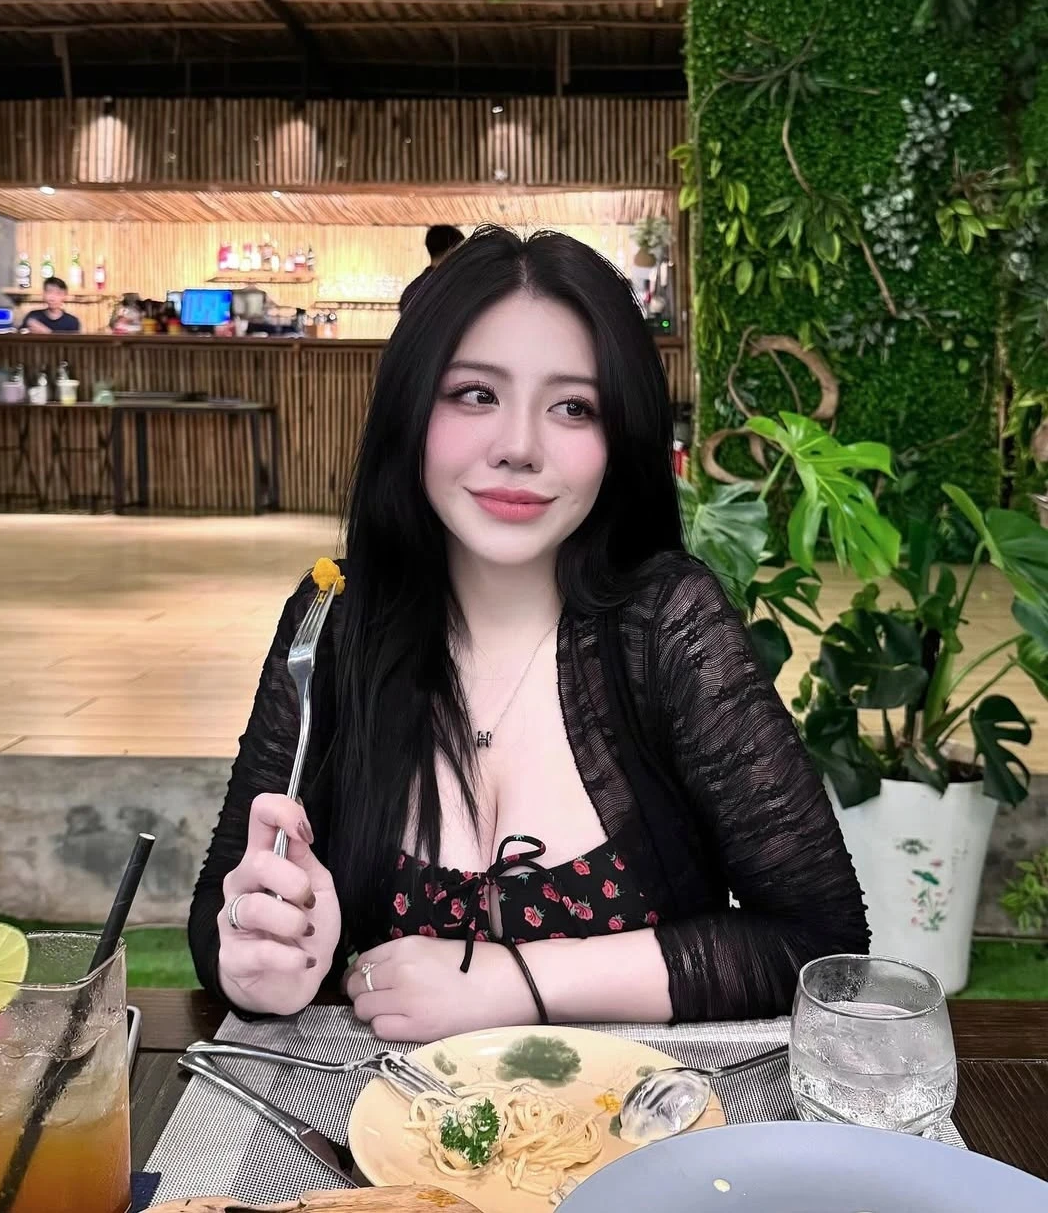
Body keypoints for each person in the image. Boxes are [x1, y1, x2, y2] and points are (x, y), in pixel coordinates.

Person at [189, 226, 868, 1040]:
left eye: (574, 407)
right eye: (476, 394)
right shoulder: (335, 620)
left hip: (642, 1114)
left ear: (620, 437)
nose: (518, 447)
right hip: (382, 1117)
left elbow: (821, 943)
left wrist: (514, 982)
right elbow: (220, 917)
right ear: (412, 406)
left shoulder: (668, 626)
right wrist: (263, 957)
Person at [399, 224, 464, 313]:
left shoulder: (412, 289)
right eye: (461, 250)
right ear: (451, 250)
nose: (463, 256)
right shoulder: (449, 287)